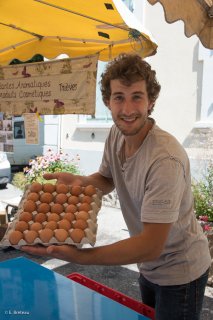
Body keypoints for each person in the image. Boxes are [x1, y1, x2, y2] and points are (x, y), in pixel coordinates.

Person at [22, 54, 211, 320]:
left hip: (180, 272)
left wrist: (82, 257)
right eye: (119, 97)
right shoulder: (117, 133)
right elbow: (108, 178)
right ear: (108, 101)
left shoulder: (165, 159)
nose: (127, 109)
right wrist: (82, 182)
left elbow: (150, 246)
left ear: (151, 101)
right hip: (149, 267)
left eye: (137, 96)